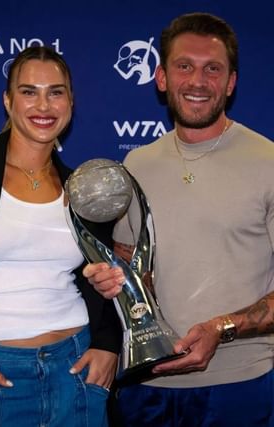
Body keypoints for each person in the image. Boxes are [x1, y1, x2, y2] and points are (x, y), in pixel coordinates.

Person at [83, 12, 274, 427]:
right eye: (184, 66)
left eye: (212, 69)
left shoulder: (268, 161)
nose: (197, 81)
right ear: (162, 77)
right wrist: (111, 279)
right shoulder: (138, 163)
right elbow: (130, 265)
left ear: (231, 82)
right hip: (147, 386)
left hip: (239, 384)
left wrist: (222, 328)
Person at [0, 46, 121, 427]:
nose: (44, 105)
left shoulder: (82, 187)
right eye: (29, 92)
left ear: (70, 102)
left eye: (56, 92)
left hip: (76, 368)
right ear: (8, 101)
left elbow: (105, 279)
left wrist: (108, 344)